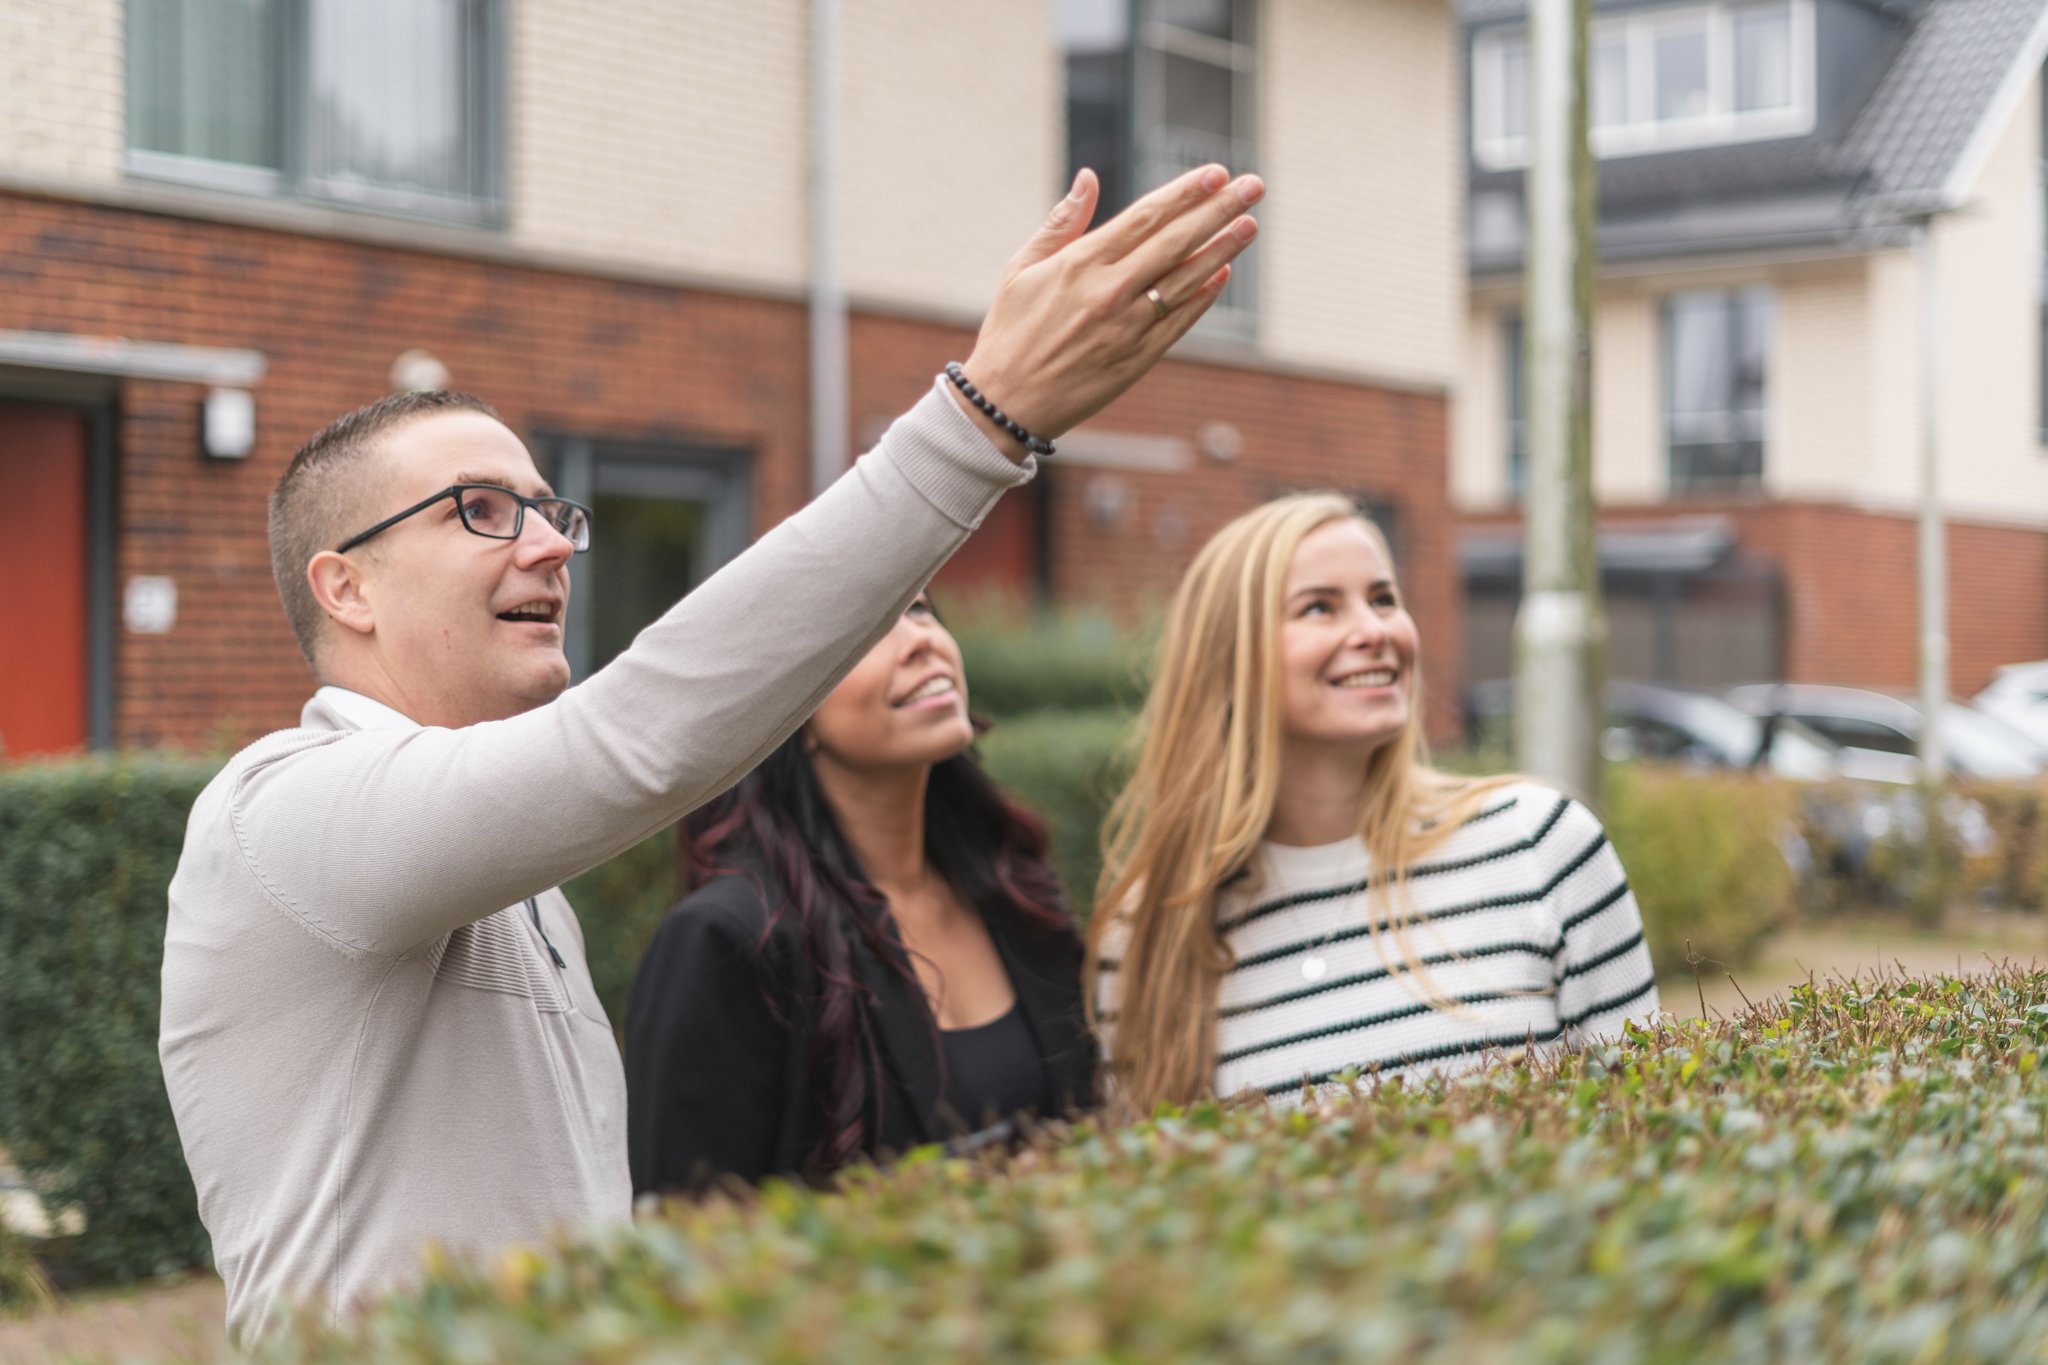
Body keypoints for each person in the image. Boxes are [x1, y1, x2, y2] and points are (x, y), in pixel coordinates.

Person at [158, 161, 1263, 1336]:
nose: (550, 546)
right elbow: (632, 742)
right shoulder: (282, 815)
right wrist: (977, 420)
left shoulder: (505, 886)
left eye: (550, 512)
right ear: (345, 588)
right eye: (479, 509)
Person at [1087, 492, 1658, 1111]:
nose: (1375, 630)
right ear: (1228, 663)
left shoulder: (1540, 845)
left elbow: (1646, 1125)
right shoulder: (1145, 941)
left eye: (1383, 599)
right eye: (1319, 607)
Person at [625, 592, 1091, 1193]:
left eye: (919, 608)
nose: (920, 640)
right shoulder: (728, 941)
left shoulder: (1014, 889)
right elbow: (688, 1226)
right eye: (868, 628)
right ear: (788, 711)